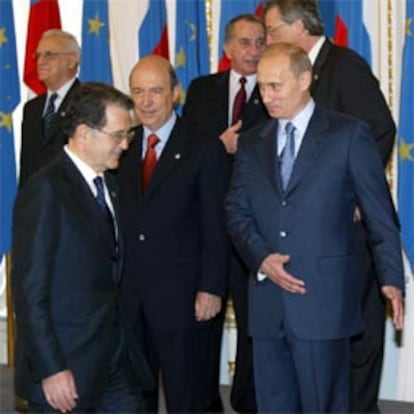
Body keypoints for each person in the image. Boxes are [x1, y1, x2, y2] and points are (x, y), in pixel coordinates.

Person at [226, 42, 404, 413]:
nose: (267, 96)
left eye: (276, 86)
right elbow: (236, 211)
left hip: (323, 303)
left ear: (305, 79)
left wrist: (391, 278)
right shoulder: (253, 143)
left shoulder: (348, 134)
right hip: (267, 304)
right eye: (262, 87)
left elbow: (378, 212)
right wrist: (261, 258)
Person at [263, 1, 396, 411]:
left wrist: (355, 195)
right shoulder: (287, 76)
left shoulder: (344, 65)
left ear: (299, 26)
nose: (266, 40)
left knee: (355, 333)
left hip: (346, 233)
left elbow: (378, 129)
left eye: (271, 31)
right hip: (304, 233)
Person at [12, 82, 152, 413]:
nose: (126, 144)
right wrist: (51, 369)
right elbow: (29, 291)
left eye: (128, 134)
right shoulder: (46, 190)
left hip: (115, 359)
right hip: (66, 368)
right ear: (84, 133)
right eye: (117, 135)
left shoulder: (109, 185)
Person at [117, 55, 230, 413]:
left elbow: (216, 225)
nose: (146, 101)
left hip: (184, 301)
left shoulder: (204, 147)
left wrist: (211, 287)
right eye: (138, 92)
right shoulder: (122, 146)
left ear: (175, 93)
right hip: (130, 299)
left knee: (188, 398)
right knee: (135, 397)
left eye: (155, 91)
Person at [183, 14, 268, 413]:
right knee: (203, 323)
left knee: (254, 328)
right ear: (228, 49)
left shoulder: (274, 90)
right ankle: (204, 403)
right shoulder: (202, 90)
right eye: (246, 43)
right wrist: (218, 147)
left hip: (254, 229)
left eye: (260, 43)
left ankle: (247, 401)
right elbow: (187, 151)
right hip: (206, 228)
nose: (254, 52)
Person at [20, 29, 81, 186]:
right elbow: (26, 166)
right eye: (38, 55)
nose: (41, 61)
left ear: (72, 60)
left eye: (49, 55)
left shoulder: (88, 102)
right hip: (36, 203)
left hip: (72, 203)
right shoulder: (31, 109)